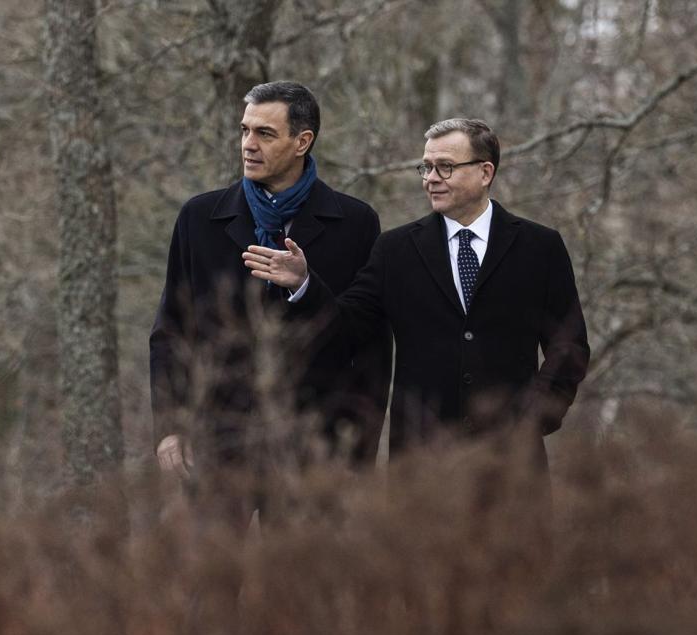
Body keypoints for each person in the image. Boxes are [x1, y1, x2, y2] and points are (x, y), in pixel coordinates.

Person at [243, 118, 589, 471]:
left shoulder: (540, 246)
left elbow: (569, 345)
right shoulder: (395, 250)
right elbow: (347, 329)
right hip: (422, 466)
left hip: (514, 462)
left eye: (446, 167)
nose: (431, 178)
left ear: (485, 172)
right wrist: (304, 284)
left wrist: (534, 417)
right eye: (426, 167)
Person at [150, 82, 391, 506]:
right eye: (245, 131)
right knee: (215, 573)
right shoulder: (199, 218)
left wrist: (358, 456)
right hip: (216, 447)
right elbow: (171, 332)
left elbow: (369, 347)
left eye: (264, 134)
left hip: (315, 451)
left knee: (302, 574)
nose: (248, 144)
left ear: (303, 142)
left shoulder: (355, 223)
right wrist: (171, 427)